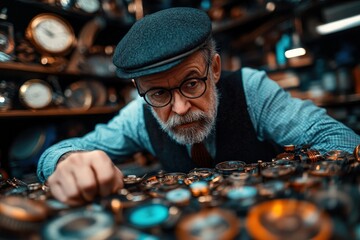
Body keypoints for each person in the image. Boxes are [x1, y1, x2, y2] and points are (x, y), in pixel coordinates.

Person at [37, 7, 360, 206]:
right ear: (139, 90)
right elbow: (62, 151)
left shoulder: (251, 89)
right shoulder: (139, 115)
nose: (179, 108)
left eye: (192, 83)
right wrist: (67, 161)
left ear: (215, 68)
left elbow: (344, 142)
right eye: (159, 94)